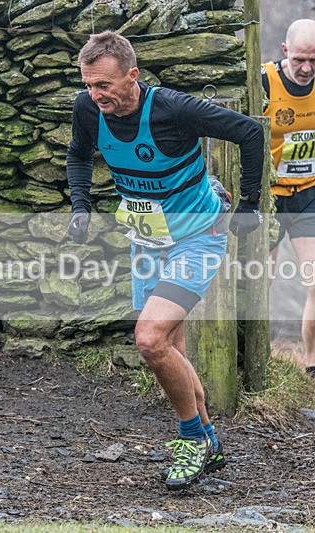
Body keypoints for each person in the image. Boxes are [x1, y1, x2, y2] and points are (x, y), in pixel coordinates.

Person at [65, 31, 264, 490]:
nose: (96, 96)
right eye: (89, 85)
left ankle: (189, 438)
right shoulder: (87, 109)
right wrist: (80, 207)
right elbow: (78, 153)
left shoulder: (173, 109)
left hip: (197, 239)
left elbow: (250, 133)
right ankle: (210, 439)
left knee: (150, 340)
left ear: (132, 75)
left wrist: (249, 205)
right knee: (169, 350)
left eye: (104, 86)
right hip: (147, 242)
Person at [262, 19, 315, 387]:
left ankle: (314, 373)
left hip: (311, 193)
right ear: (284, 52)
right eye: (298, 59)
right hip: (269, 194)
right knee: (260, 279)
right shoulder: (263, 80)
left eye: (313, 59)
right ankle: (255, 363)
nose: (306, 68)